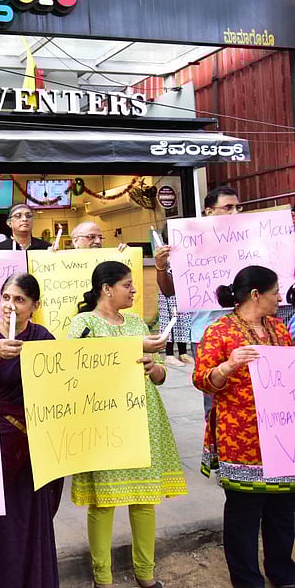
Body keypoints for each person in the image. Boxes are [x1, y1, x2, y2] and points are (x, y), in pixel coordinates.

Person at [67, 261, 187, 588]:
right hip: (103, 421)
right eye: (127, 285)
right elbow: (77, 366)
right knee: (104, 502)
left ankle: (145, 575)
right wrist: (136, 348)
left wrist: (153, 366)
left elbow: (160, 373)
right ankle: (102, 579)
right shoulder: (83, 324)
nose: (134, 291)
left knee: (144, 500)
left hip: (143, 419)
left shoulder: (135, 321)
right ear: (107, 288)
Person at [192, 265, 295, 588]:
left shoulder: (279, 329)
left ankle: (281, 569)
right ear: (255, 295)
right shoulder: (220, 331)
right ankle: (246, 578)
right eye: (275, 291)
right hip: (241, 437)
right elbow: (202, 380)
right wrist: (229, 364)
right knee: (244, 514)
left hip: (281, 435)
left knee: (282, 510)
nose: (280, 297)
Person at [0, 273, 61, 588]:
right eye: (6, 297)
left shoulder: (42, 338)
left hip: (35, 447)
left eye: (19, 300)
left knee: (30, 519)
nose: (11, 305)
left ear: (34, 305)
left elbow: (61, 384)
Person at [155, 186, 243, 409]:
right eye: (228, 207)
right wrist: (160, 266)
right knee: (212, 395)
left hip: (245, 328)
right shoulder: (190, 242)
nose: (234, 213)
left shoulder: (250, 239)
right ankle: (214, 441)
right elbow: (169, 290)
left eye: (238, 207)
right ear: (209, 211)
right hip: (206, 331)